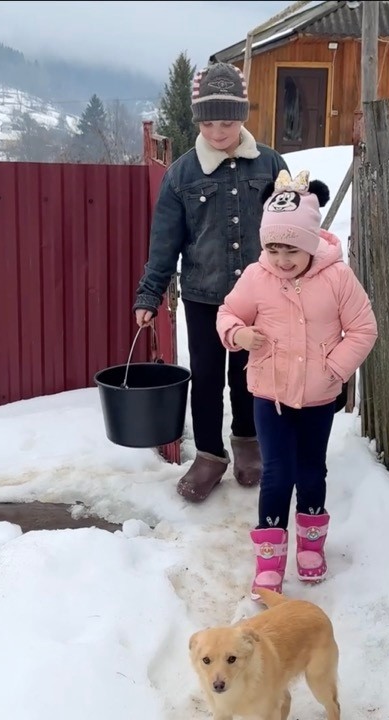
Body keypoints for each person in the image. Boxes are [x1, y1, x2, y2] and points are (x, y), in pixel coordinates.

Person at [215, 169, 378, 602]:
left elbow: (363, 329)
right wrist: (239, 335)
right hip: (269, 394)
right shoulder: (256, 276)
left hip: (319, 397)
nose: (282, 260)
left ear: (310, 243)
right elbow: (227, 314)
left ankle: (309, 545)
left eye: (291, 249)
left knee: (310, 471)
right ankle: (269, 559)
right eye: (273, 248)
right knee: (276, 473)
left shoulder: (338, 278)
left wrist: (333, 370)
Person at [133, 61, 291, 504]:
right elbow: (165, 243)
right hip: (204, 297)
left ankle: (248, 444)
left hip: (260, 297)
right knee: (206, 377)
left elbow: (292, 223)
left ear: (243, 116)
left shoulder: (271, 163)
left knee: (249, 374)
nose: (219, 131)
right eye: (208, 122)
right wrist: (150, 292)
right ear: (197, 120)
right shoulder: (182, 175)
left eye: (228, 120)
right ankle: (208, 455)